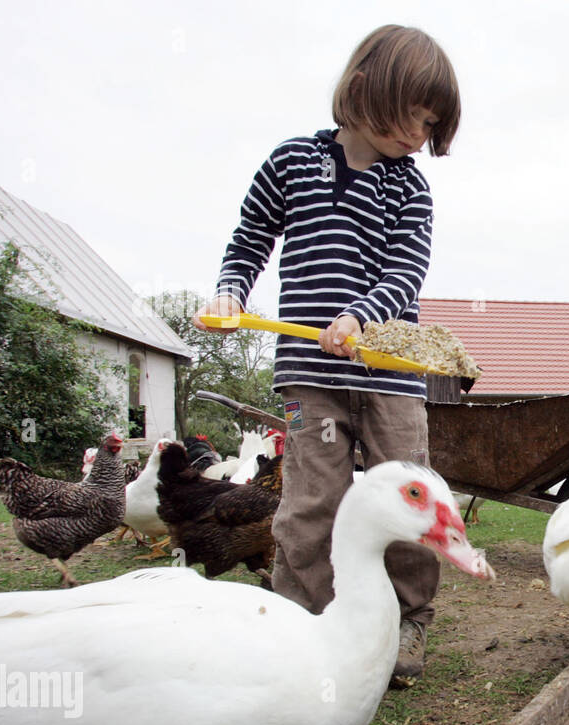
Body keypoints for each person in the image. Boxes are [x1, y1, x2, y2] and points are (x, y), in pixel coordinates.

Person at [193, 24, 461, 684]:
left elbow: (405, 273)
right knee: (312, 501)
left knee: (407, 492)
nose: (420, 137)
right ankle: (304, 630)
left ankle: (406, 622)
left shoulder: (411, 190)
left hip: (391, 372)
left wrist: (361, 317)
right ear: (369, 88)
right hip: (310, 375)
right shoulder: (290, 162)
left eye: (432, 128)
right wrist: (231, 291)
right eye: (416, 118)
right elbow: (249, 237)